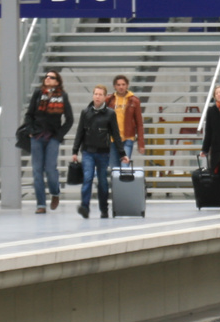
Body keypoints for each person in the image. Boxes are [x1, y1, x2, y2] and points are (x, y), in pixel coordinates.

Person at [71, 85, 127, 219]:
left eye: (100, 94)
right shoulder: (86, 112)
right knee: (88, 178)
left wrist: (122, 153)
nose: (97, 96)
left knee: (102, 182)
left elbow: (116, 135)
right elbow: (80, 132)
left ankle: (104, 209)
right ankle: (85, 207)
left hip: (103, 153)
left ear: (104, 97)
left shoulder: (110, 114)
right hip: (88, 152)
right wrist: (75, 151)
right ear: (92, 95)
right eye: (96, 94)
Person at [26, 70, 72, 213]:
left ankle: (55, 192)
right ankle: (41, 204)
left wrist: (59, 135)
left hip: (52, 137)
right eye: (46, 77)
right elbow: (29, 114)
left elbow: (69, 120)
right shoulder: (38, 94)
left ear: (57, 81)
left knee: (51, 170)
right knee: (37, 171)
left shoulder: (63, 96)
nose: (47, 79)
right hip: (37, 137)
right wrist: (31, 130)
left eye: (51, 77)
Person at [111, 75, 145, 162]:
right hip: (113, 139)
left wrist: (141, 143)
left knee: (125, 166)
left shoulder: (134, 100)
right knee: (115, 168)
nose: (121, 87)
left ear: (127, 85)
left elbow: (139, 123)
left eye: (123, 84)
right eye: (118, 85)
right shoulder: (110, 100)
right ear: (114, 86)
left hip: (127, 138)